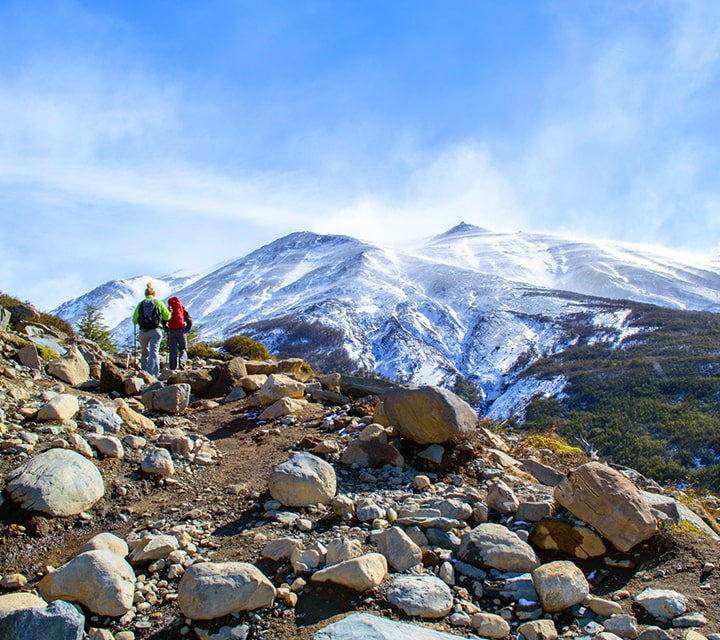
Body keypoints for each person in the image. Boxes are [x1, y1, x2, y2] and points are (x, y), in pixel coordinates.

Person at [132, 283, 171, 377]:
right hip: (156, 330)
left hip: (143, 331)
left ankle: (144, 373)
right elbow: (167, 316)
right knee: (154, 351)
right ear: (154, 294)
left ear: (145, 294)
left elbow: (134, 319)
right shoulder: (158, 302)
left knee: (144, 351)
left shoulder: (140, 304)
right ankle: (153, 374)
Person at [166, 296, 193, 371]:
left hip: (172, 331)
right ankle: (182, 363)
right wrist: (186, 330)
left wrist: (167, 329)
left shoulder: (169, 309)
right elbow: (189, 321)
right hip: (181, 331)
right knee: (183, 349)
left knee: (172, 350)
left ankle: (172, 368)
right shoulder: (181, 308)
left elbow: (163, 321)